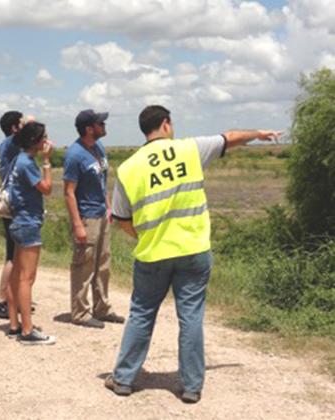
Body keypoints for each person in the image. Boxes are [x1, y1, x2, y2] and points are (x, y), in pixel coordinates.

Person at [105, 105, 281, 403]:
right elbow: (231, 137)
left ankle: (123, 379)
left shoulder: (129, 168)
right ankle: (190, 387)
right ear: (165, 124)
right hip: (193, 250)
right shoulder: (190, 149)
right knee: (190, 317)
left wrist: (145, 235)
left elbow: (121, 218)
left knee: (142, 314)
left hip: (152, 254)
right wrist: (259, 134)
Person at [64, 109, 124, 328]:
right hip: (87, 217)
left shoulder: (98, 148)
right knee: (84, 265)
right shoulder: (74, 155)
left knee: (103, 263)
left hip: (101, 213)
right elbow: (69, 192)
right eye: (101, 123)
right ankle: (80, 312)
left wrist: (109, 207)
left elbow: (102, 180)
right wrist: (78, 224)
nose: (104, 125)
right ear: (89, 128)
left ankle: (102, 308)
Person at [6, 121, 56, 345]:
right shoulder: (28, 163)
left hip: (18, 222)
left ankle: (14, 324)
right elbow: (47, 188)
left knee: (16, 274)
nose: (47, 141)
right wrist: (47, 161)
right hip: (28, 223)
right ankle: (27, 330)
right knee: (27, 278)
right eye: (44, 137)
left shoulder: (19, 160)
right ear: (36, 141)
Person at [0, 110, 24, 319]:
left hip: (11, 203)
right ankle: (2, 299)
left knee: (14, 254)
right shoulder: (12, 143)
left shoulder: (7, 146)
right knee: (13, 255)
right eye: (21, 124)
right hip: (14, 204)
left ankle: (9, 297)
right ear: (14, 128)